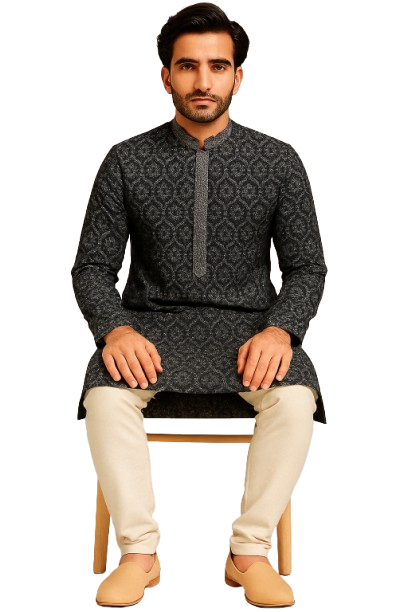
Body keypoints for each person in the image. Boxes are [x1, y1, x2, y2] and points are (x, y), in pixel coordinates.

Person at [71, 2, 328, 607]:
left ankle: (249, 553)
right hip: (150, 332)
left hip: (250, 334)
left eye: (218, 66)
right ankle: (139, 554)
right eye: (188, 66)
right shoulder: (124, 160)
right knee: (104, 396)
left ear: (239, 76)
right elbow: (91, 268)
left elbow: (308, 267)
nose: (203, 80)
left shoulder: (280, 160)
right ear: (166, 77)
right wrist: (114, 330)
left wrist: (282, 331)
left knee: (296, 399)